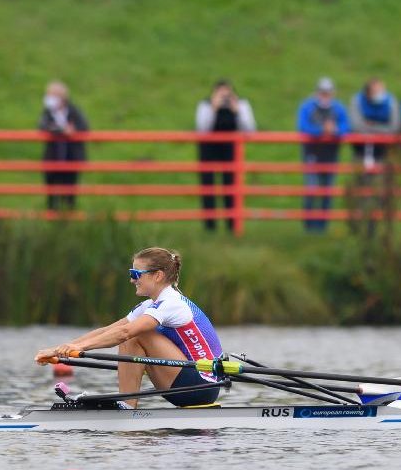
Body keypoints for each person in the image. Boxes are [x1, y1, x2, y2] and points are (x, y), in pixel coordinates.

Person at [34, 247, 225, 409]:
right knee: (132, 334)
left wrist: (81, 348)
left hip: (202, 385)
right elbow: (107, 331)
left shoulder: (172, 303)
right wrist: (60, 350)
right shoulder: (149, 306)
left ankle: (126, 406)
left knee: (135, 335)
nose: (132, 280)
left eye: (136, 274)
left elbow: (125, 333)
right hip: (184, 382)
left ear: (157, 276)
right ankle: (126, 405)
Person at [195, 80, 257, 232]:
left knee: (231, 186)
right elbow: (202, 130)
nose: (224, 97)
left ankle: (232, 225)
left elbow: (250, 130)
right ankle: (210, 226)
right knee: (208, 187)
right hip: (208, 149)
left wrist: (238, 111)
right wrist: (213, 109)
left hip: (231, 149)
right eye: (220, 93)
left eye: (227, 93)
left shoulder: (241, 105)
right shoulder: (205, 105)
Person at [297, 77, 351, 233]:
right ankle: (308, 224)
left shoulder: (338, 108)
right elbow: (303, 126)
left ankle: (323, 225)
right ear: (317, 92)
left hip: (331, 153)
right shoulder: (307, 106)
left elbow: (346, 126)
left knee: (327, 189)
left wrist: (335, 131)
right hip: (311, 152)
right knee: (312, 188)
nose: (325, 95)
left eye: (328, 92)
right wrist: (322, 130)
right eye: (322, 92)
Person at [350, 78, 400, 235]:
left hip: (382, 154)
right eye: (377, 91)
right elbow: (356, 126)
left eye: (382, 90)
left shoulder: (391, 102)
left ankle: (375, 226)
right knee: (361, 189)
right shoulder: (356, 101)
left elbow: (394, 128)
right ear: (368, 93)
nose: (381, 94)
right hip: (361, 153)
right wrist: (380, 130)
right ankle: (359, 226)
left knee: (380, 191)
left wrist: (372, 127)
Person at [39, 81, 90, 211]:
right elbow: (42, 127)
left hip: (71, 158)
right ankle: (51, 217)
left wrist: (73, 131)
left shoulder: (74, 111)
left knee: (69, 193)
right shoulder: (47, 113)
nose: (49, 99)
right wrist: (62, 131)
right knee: (51, 193)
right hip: (52, 158)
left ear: (62, 97)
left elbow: (84, 127)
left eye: (52, 95)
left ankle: (69, 219)